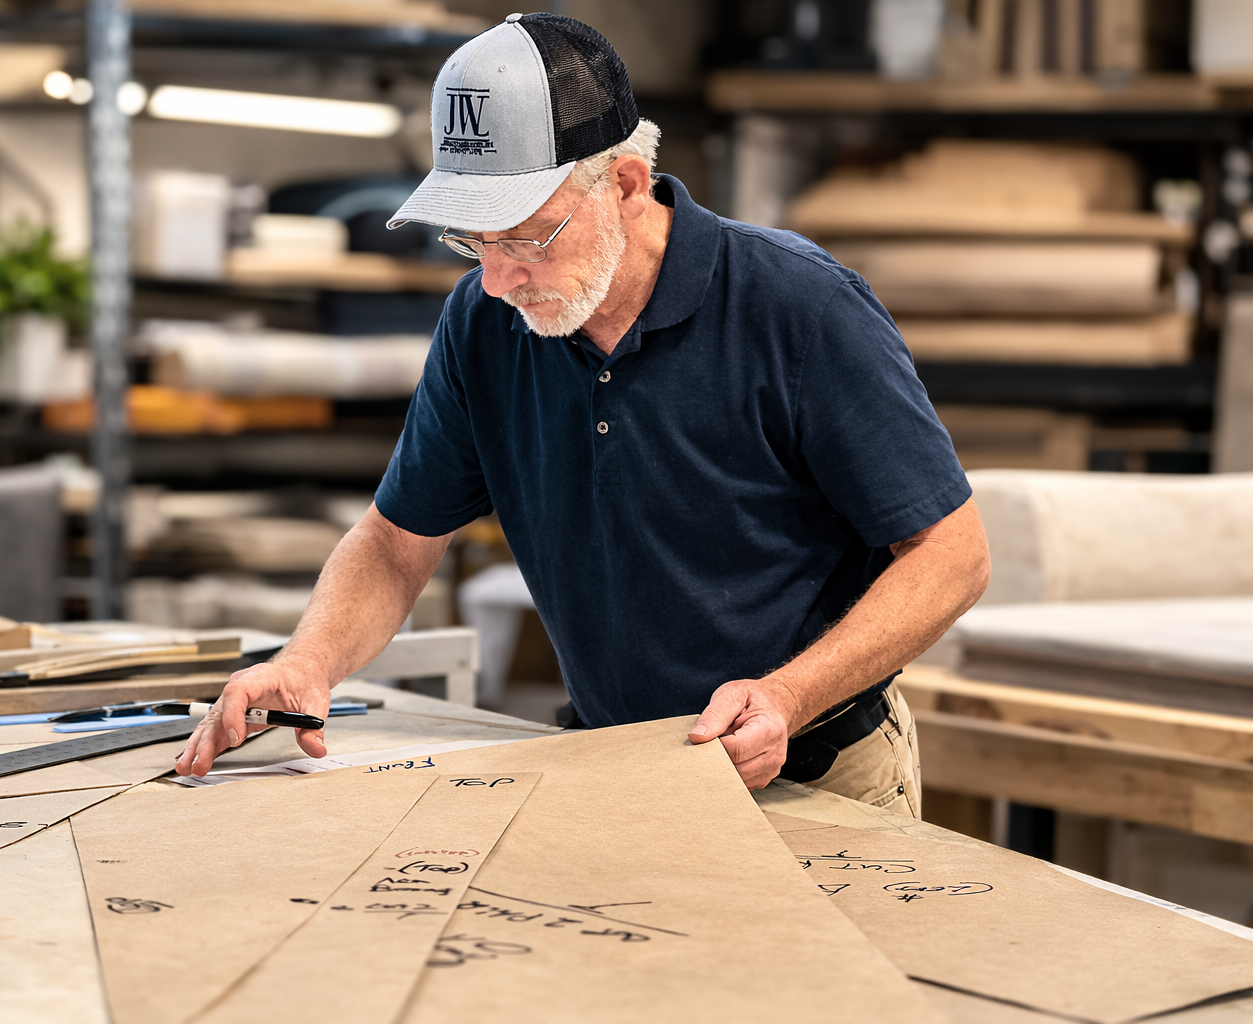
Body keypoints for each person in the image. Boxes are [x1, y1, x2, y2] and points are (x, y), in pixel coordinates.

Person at [176, 12, 990, 817]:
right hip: (609, 763)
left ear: (627, 186)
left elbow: (951, 553)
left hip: (809, 770)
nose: (497, 279)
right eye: (472, 241)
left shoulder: (798, 308)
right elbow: (395, 543)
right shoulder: (483, 323)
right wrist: (309, 658)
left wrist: (788, 695)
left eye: (527, 237)